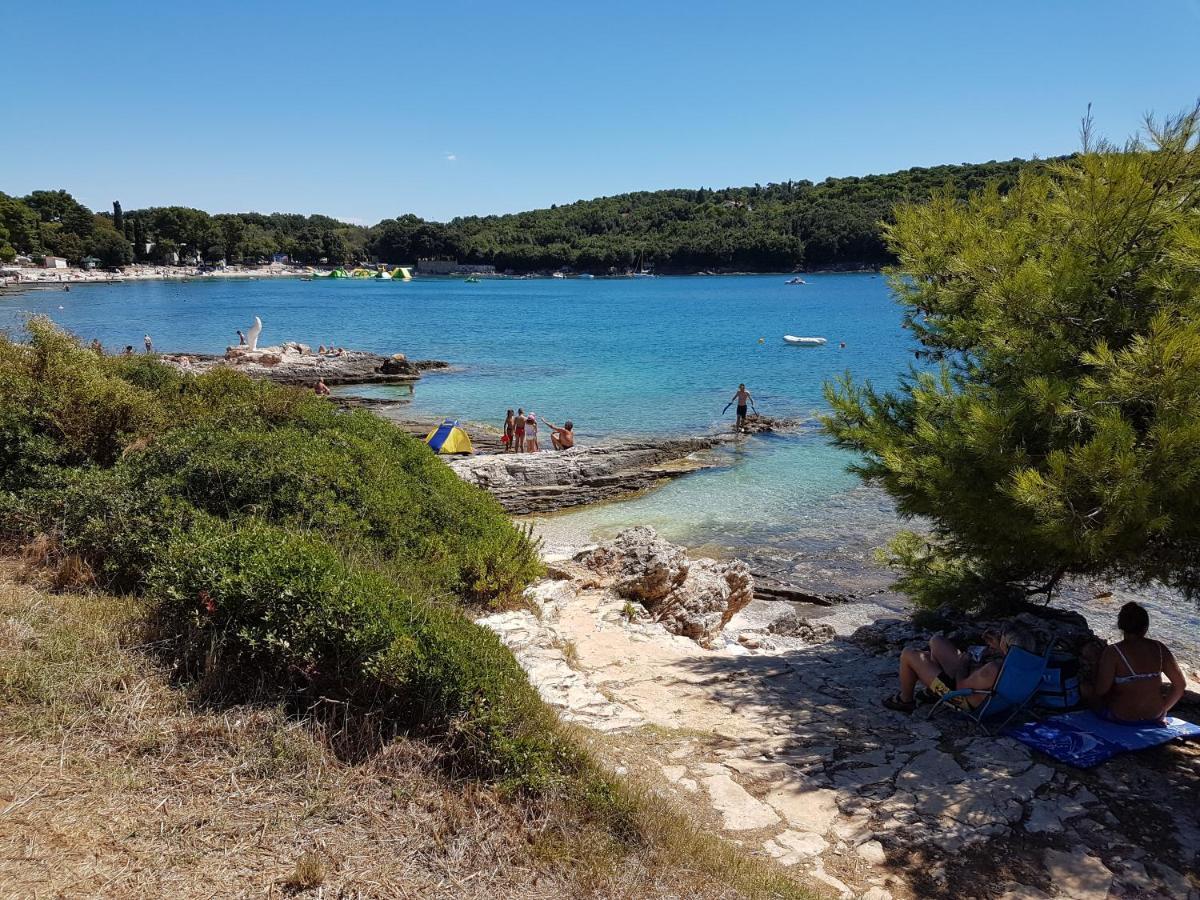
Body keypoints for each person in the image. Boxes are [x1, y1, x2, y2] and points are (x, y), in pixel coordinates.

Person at [882, 623, 1036, 713]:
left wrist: (964, 661)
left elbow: (961, 685)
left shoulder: (993, 669)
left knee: (909, 654)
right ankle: (931, 690)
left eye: (1001, 638)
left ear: (1006, 645)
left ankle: (905, 700)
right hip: (982, 689)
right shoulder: (1024, 662)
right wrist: (998, 650)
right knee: (937, 641)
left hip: (960, 696)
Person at [1092, 602, 1186, 725]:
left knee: (1086, 690)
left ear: (1121, 626)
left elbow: (1101, 690)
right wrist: (1163, 710)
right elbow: (1180, 685)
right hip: (1154, 716)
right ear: (1145, 627)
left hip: (1122, 717)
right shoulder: (1159, 648)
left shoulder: (1114, 652)